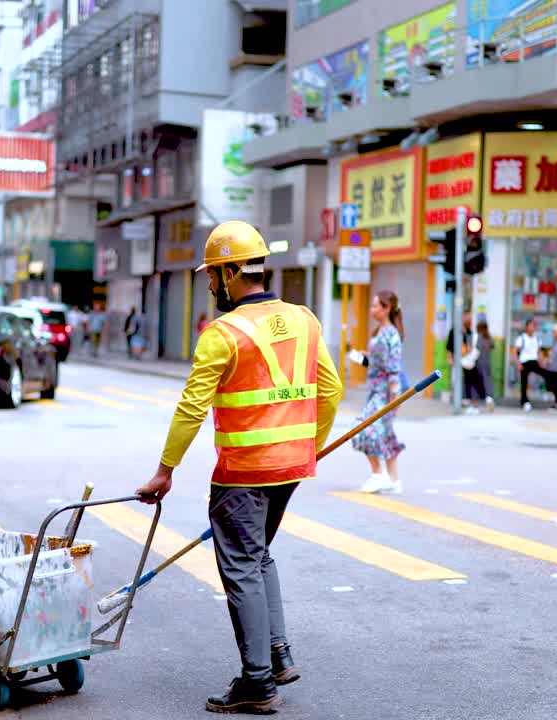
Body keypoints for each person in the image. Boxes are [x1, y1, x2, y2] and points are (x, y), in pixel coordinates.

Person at [135, 221, 343, 714]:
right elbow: (330, 391)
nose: (209, 284)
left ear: (231, 273)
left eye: (213, 275)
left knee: (242, 566)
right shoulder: (305, 319)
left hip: (243, 473)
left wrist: (165, 471)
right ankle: (277, 653)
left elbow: (191, 409)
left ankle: (257, 683)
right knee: (258, 554)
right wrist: (308, 447)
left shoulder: (222, 333)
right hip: (292, 467)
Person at [348, 291, 405, 494]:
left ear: (386, 308)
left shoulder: (391, 334)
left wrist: (395, 395)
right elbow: (379, 363)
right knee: (386, 434)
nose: (372, 310)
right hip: (374, 391)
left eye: (375, 306)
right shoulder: (379, 332)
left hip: (384, 393)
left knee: (363, 428)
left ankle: (378, 475)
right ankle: (394, 480)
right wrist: (366, 357)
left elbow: (393, 367)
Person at [446, 312, 484, 412]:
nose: (469, 321)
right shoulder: (454, 331)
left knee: (467, 380)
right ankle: (456, 399)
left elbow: (472, 347)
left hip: (467, 362)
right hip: (457, 360)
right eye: (467, 319)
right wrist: (450, 358)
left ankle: (466, 399)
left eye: (470, 319)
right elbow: (449, 347)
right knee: (456, 380)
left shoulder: (470, 333)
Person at [513, 317, 547, 412]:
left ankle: (546, 393)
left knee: (546, 375)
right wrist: (517, 363)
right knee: (524, 383)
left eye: (534, 326)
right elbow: (514, 351)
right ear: (527, 327)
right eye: (531, 325)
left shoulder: (536, 338)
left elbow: (539, 351)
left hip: (534, 361)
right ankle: (524, 401)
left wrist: (542, 361)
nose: (533, 327)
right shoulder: (521, 338)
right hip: (524, 362)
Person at [475, 321, 495, 412]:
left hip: (478, 363)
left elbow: (476, 348)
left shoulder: (479, 337)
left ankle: (476, 401)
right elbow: (492, 346)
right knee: (487, 381)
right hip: (487, 362)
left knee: (476, 382)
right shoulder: (489, 337)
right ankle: (489, 398)